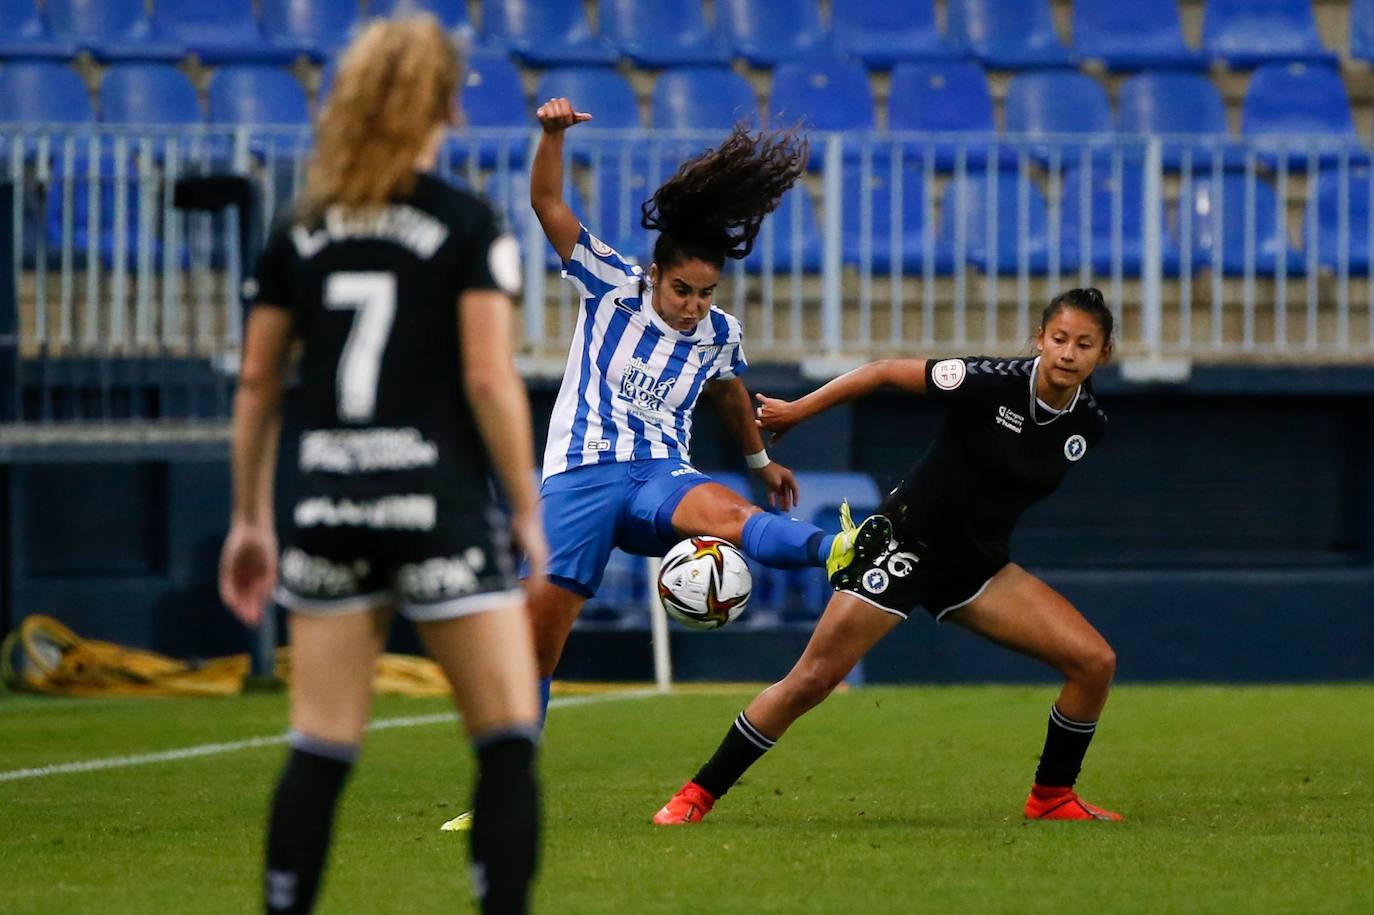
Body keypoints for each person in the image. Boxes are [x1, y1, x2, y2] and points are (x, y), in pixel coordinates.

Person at [438, 97, 890, 832]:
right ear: (655, 276)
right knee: (536, 638)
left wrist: (758, 458)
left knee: (732, 515)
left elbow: (728, 388)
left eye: (706, 293)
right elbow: (547, 200)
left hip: (656, 473)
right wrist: (549, 136)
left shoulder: (717, 332)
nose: (692, 306)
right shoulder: (609, 284)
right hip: (579, 476)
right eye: (683, 289)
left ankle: (836, 547)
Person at [218, 16, 543, 914]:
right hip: (433, 502)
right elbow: (487, 376)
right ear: (446, 102)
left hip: (325, 502)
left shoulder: (299, 228)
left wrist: (252, 518)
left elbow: (256, 382)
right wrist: (523, 507)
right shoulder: (465, 222)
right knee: (507, 737)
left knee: (320, 744)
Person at [653, 288, 1125, 825]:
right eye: (1059, 339)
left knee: (1094, 664)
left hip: (976, 568)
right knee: (811, 681)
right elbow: (880, 372)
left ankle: (1052, 798)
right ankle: (696, 795)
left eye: (1083, 344)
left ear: (1102, 353)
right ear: (1039, 339)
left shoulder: (1088, 425)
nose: (1068, 353)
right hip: (900, 549)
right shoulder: (988, 381)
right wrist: (797, 411)